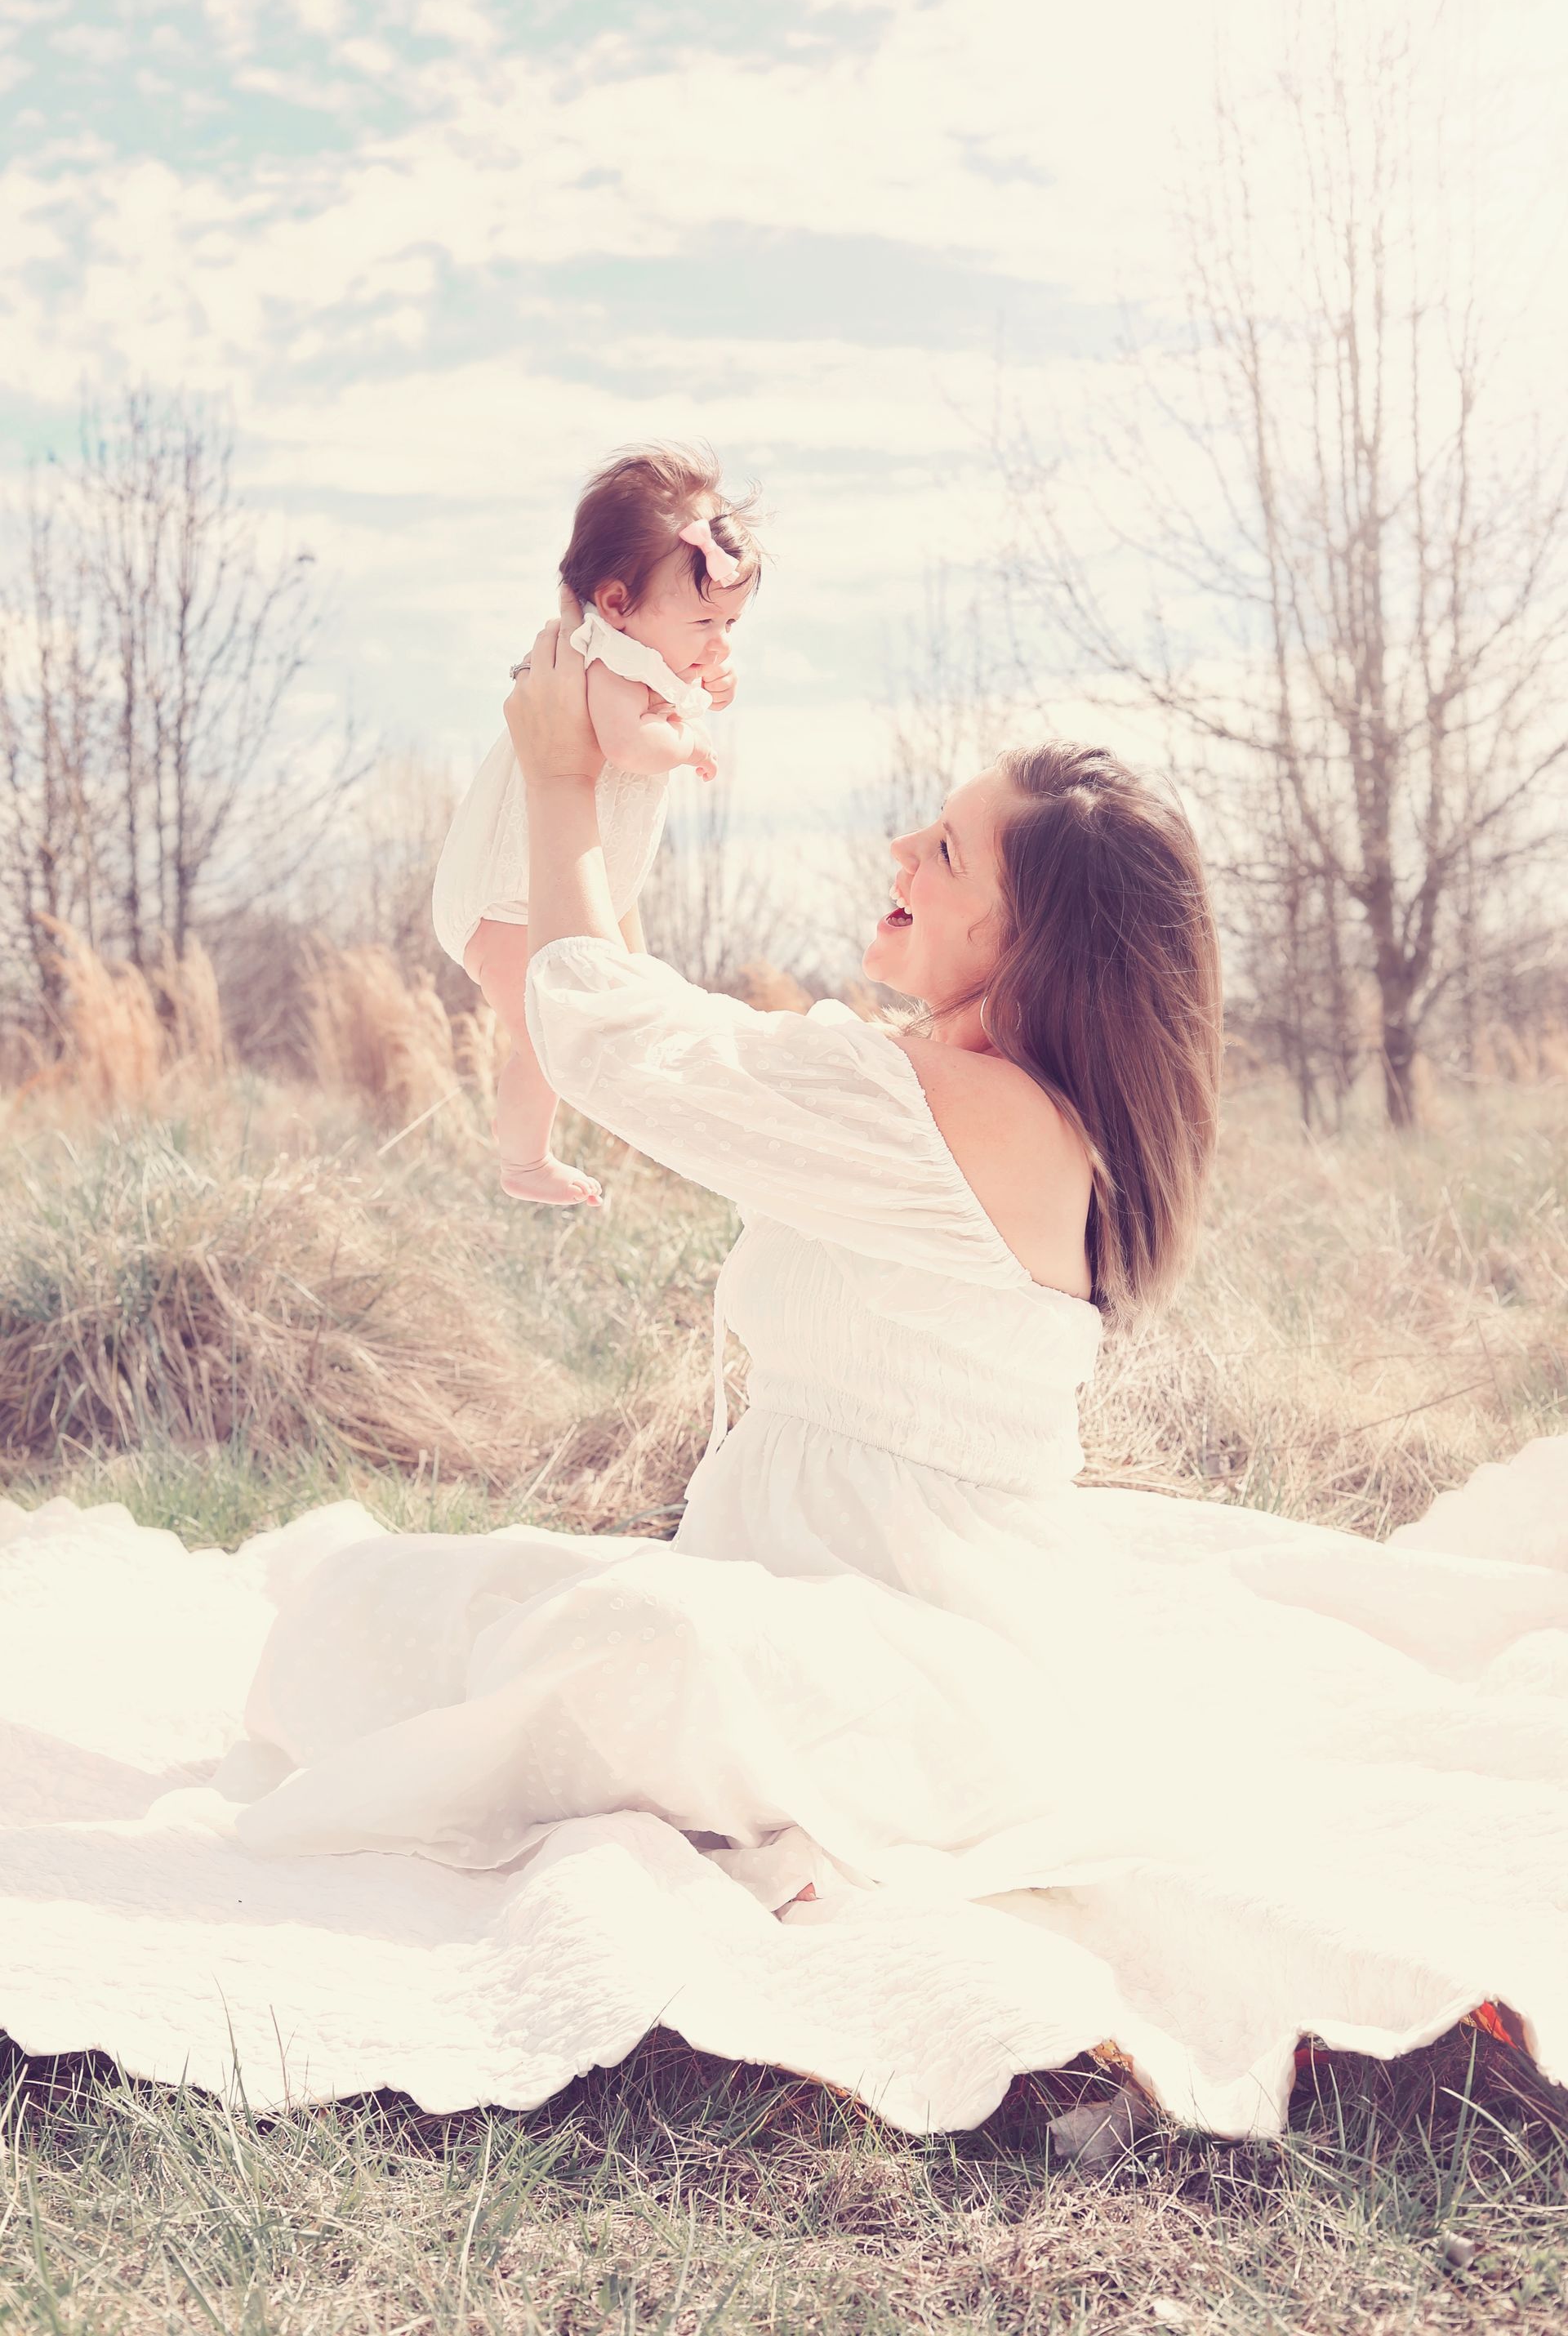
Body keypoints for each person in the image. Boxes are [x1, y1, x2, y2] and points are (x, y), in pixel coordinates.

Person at [3, 598, 1566, 2140]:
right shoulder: (936, 1091)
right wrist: (625, 771)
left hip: (941, 1664)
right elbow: (645, 1012)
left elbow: (621, 1047)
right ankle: (738, 1799)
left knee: (640, 1640)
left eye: (945, 852)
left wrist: (563, 782)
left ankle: (783, 1822)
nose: (898, 852)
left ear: (1034, 936)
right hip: (804, 1588)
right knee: (344, 1615)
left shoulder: (964, 1115)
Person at [431, 447, 760, 1205]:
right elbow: (627, 744)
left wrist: (710, 680)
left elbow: (686, 681)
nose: (720, 642)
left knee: (632, 1006)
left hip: (580, 884)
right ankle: (522, 1165)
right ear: (615, 604)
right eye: (706, 620)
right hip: (510, 899)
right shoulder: (606, 665)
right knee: (553, 1041)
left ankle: (641, 1129)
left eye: (733, 623)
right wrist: (688, 743)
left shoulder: (638, 648)